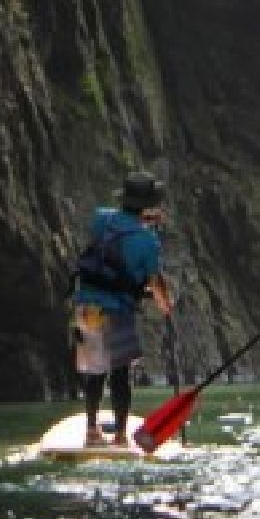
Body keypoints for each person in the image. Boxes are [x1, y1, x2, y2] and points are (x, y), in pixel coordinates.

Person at [72, 171, 173, 446]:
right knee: (119, 373)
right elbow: (155, 281)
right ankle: (119, 436)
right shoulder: (147, 241)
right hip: (116, 311)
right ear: (149, 204)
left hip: (86, 306)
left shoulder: (101, 218)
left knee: (95, 371)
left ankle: (91, 431)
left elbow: (117, 228)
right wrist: (165, 304)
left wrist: (141, 220)